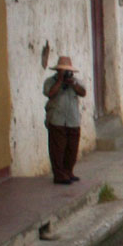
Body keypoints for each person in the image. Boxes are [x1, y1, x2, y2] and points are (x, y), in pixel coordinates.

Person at [43, 56, 87, 184]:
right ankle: (59, 175)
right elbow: (50, 93)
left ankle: (68, 172)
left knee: (72, 149)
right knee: (57, 149)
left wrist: (72, 83)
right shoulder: (50, 81)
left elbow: (83, 92)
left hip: (73, 120)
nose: (66, 73)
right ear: (58, 71)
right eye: (63, 70)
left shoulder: (75, 81)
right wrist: (60, 81)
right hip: (57, 119)